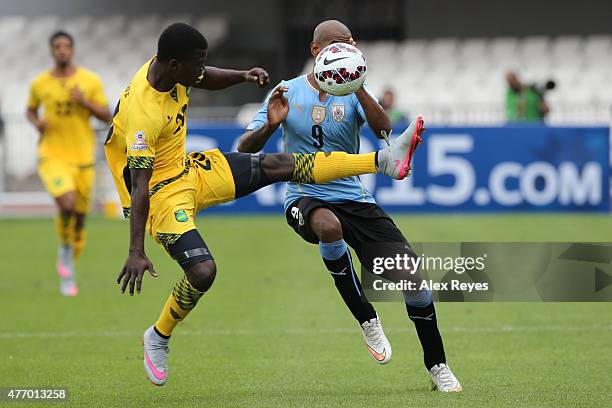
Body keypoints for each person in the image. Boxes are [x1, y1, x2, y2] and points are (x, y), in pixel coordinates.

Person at [104, 22, 421, 386]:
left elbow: (204, 77)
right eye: (196, 64)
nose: (201, 70)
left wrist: (242, 75)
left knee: (279, 164)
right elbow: (140, 185)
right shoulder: (143, 114)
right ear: (175, 65)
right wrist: (135, 250)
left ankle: (381, 162)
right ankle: (158, 335)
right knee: (203, 272)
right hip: (158, 195)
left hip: (188, 171)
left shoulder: (169, 69)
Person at [238, 20, 461, 392]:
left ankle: (438, 366)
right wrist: (269, 126)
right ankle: (367, 318)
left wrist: (357, 89)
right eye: (338, 44)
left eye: (350, 43)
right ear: (316, 51)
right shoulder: (286, 91)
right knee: (328, 227)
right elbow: (245, 147)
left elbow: (386, 131)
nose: (346, 48)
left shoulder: (356, 90)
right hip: (304, 197)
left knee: (414, 281)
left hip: (355, 199)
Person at [27, 30, 111, 296]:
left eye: (66, 46)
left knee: (79, 219)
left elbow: (107, 116)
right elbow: (30, 109)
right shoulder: (40, 83)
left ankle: (68, 256)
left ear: (72, 50)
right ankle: (65, 254)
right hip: (52, 154)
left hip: (83, 157)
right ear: (52, 51)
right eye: (57, 47)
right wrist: (36, 122)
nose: (62, 50)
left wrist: (83, 101)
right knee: (67, 202)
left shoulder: (89, 81)